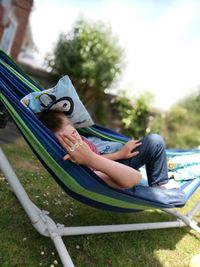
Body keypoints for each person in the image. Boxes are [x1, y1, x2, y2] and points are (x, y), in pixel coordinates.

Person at [37, 110, 179, 190]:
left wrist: (120, 154)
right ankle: (161, 186)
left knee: (154, 141)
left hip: (107, 161)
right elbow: (135, 177)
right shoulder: (73, 161)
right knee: (155, 142)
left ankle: (160, 177)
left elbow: (94, 157)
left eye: (74, 133)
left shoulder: (81, 140)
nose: (76, 140)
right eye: (67, 142)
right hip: (111, 171)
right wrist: (92, 159)